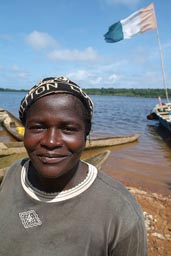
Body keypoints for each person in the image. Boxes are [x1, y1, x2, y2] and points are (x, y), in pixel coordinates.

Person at [0, 76, 147, 255]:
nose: (51, 141)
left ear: (86, 133)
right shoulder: (15, 173)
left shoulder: (121, 213)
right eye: (38, 127)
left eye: (68, 129)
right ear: (25, 130)